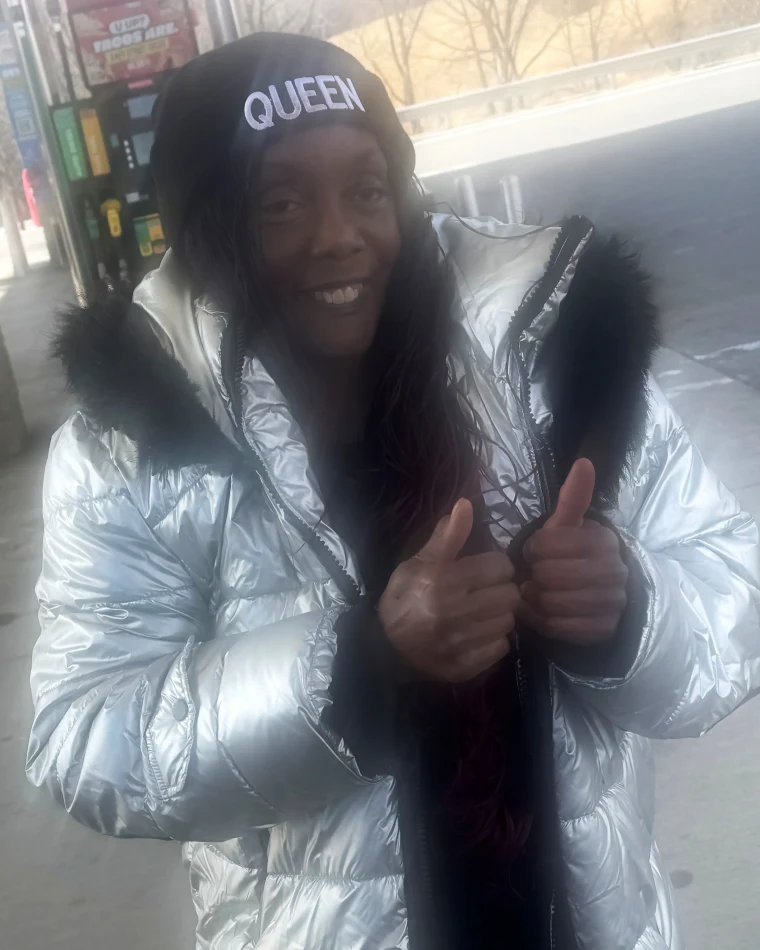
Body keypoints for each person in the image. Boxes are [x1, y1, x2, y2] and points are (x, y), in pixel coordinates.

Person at [26, 32, 760, 950]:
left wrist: (627, 611)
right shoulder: (140, 437)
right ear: (206, 222)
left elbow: (735, 588)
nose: (339, 237)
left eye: (368, 191)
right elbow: (84, 738)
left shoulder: (557, 351)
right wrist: (356, 668)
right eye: (280, 202)